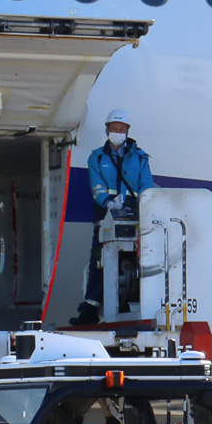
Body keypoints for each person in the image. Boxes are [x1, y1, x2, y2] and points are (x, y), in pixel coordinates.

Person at [71, 110, 156, 326]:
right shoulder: (97, 157)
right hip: (106, 217)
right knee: (99, 261)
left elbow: (146, 186)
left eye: (121, 129)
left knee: (134, 260)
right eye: (114, 128)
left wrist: (141, 205)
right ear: (107, 130)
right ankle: (90, 309)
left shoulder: (140, 158)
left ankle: (131, 305)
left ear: (127, 131)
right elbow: (96, 186)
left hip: (135, 216)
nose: (117, 132)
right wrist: (108, 203)